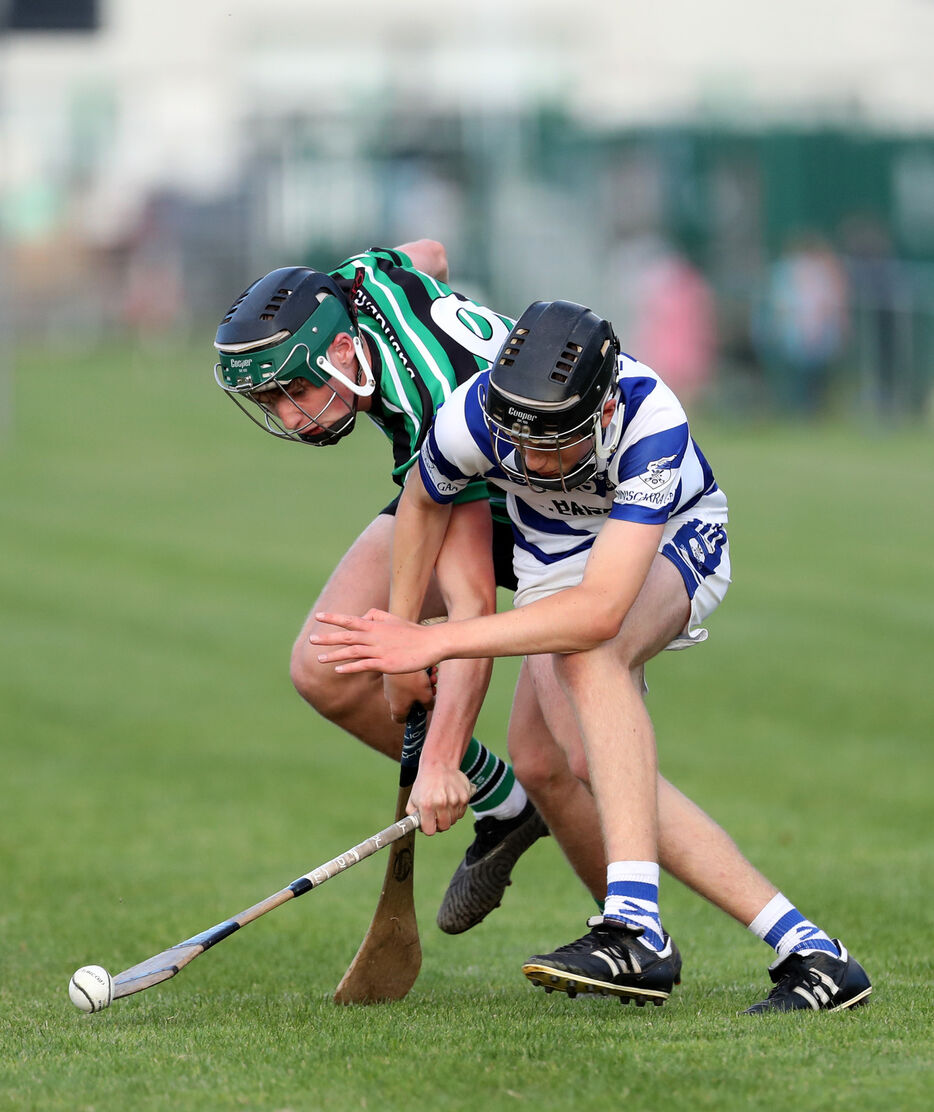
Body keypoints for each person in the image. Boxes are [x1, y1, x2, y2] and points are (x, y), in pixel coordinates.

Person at [311, 299, 872, 1015]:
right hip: (557, 565)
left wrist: (433, 639)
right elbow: (424, 501)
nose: (538, 463)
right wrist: (397, 637)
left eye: (558, 446)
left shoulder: (649, 418)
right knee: (551, 762)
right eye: (523, 447)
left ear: (602, 411)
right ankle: (814, 955)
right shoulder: (476, 413)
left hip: (670, 542)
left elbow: (602, 608)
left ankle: (636, 928)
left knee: (592, 653)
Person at [213, 242, 549, 936]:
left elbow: (470, 614)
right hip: (450, 480)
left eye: (295, 392)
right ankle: (506, 805)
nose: (288, 418)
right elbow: (430, 253)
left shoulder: (431, 405)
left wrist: (440, 760)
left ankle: (629, 926)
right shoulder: (351, 283)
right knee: (324, 668)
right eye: (269, 401)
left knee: (565, 752)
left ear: (341, 349)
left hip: (550, 511)